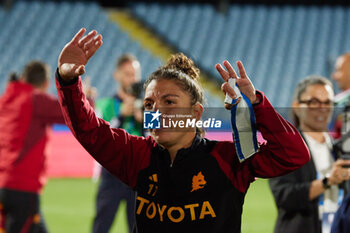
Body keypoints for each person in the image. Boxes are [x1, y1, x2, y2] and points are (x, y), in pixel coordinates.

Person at [55, 28, 310, 233]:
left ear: (196, 113)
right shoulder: (137, 155)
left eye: (170, 102)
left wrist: (256, 104)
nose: (158, 112)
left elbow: (293, 154)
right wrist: (68, 81)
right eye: (149, 104)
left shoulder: (228, 159)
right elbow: (89, 130)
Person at [269, 76, 350, 233]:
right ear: (297, 106)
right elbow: (284, 197)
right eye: (313, 102)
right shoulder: (283, 149)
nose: (322, 108)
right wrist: (328, 181)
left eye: (327, 102)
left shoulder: (340, 149)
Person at [0, 61, 65, 233]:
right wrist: (86, 97)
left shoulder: (5, 99)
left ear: (23, 78)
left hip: (3, 185)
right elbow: (70, 112)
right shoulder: (35, 100)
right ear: (45, 84)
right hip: (22, 188)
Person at [92, 54, 143, 233]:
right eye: (128, 74)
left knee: (139, 227)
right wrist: (121, 115)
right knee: (101, 226)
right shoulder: (105, 104)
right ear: (117, 75)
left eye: (135, 74)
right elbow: (100, 138)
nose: (133, 79)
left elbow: (159, 137)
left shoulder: (149, 105)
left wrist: (143, 120)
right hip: (112, 174)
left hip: (138, 176)